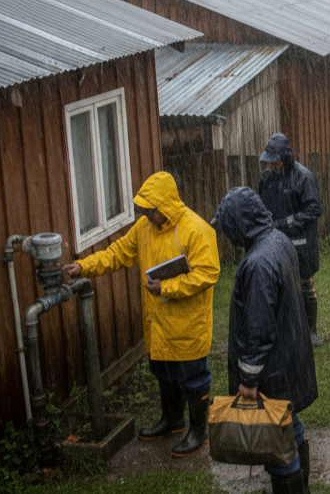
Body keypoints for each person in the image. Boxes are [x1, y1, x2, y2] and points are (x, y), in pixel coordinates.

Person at [62, 172, 219, 458]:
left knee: (194, 378)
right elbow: (117, 253)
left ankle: (199, 430)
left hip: (188, 325)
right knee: (164, 374)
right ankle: (172, 421)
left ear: (166, 205)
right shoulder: (144, 228)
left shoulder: (197, 229)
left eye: (151, 209)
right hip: (158, 323)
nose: (147, 213)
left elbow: (208, 273)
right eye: (144, 209)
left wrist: (167, 287)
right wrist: (83, 267)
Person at [214, 187, 317, 494]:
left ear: (239, 223)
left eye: (227, 227)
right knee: (289, 424)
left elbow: (258, 329)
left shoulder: (258, 263)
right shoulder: (278, 241)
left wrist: (248, 378)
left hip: (273, 370)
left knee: (276, 445)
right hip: (289, 359)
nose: (226, 235)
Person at [258, 133, 324, 347]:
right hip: (275, 242)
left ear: (284, 158)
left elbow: (315, 208)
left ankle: (311, 331)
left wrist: (287, 222)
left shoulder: (304, 177)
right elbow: (262, 208)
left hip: (302, 243)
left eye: (274, 160)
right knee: (279, 285)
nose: (271, 165)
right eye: (268, 161)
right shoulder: (266, 180)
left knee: (306, 284)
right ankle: (284, 330)